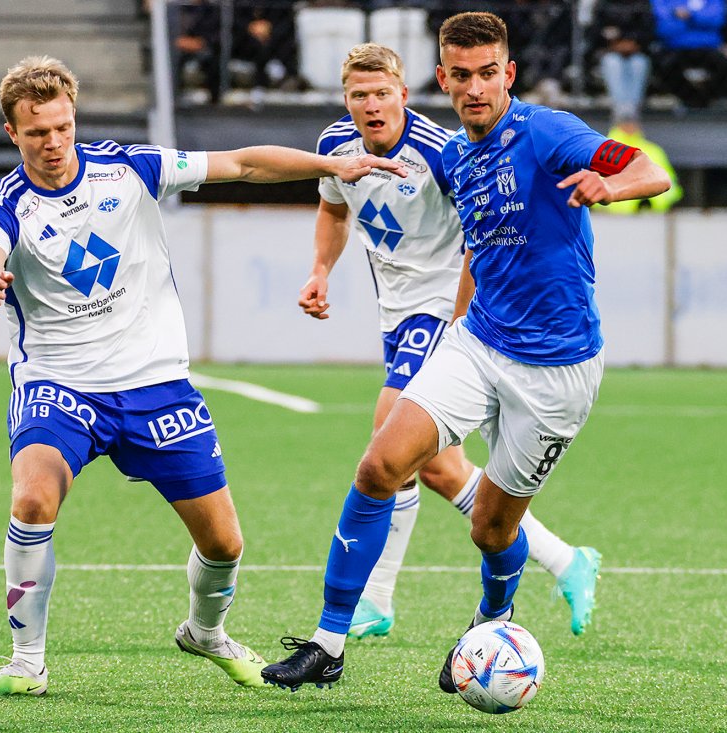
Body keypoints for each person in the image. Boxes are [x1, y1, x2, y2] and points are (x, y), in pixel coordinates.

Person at [0, 55, 405, 697]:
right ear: (13, 134)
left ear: (73, 118)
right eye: (36, 133)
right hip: (59, 383)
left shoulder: (129, 168)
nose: (53, 144)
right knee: (32, 499)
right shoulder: (6, 202)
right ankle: (27, 662)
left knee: (224, 543)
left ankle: (205, 632)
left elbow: (241, 163)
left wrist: (331, 166)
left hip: (155, 383)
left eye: (62, 128)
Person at [262, 11, 670, 692]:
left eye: (489, 73)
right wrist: (455, 326)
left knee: (490, 528)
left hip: (557, 370)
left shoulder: (546, 132)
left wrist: (610, 185)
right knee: (380, 464)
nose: (475, 87)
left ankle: (491, 620)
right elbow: (476, 243)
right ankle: (329, 641)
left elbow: (648, 170)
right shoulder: (453, 155)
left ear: (507, 74)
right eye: (462, 75)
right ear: (443, 79)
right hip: (478, 342)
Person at [299, 42, 601, 643]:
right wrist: (320, 270)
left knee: (388, 439)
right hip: (395, 314)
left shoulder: (441, 152)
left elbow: (480, 237)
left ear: (404, 93)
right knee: (438, 470)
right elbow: (334, 211)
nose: (371, 104)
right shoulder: (335, 147)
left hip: (443, 308)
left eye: (382, 92)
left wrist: (462, 326)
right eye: (359, 95)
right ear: (346, 100)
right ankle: (566, 560)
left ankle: (374, 598)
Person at [598, 116, 683, 213]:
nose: (630, 126)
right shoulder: (602, 149)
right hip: (610, 219)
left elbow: (670, 185)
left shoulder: (654, 151)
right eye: (626, 122)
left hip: (651, 217)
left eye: (632, 121)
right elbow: (595, 186)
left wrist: (649, 202)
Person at [594, 0, 655, 121]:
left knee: (639, 63)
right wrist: (614, 45)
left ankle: (633, 107)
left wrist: (634, 44)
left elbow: (648, 31)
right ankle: (620, 107)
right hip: (610, 51)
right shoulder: (604, 4)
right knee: (612, 63)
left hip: (637, 51)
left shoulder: (643, 5)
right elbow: (595, 33)